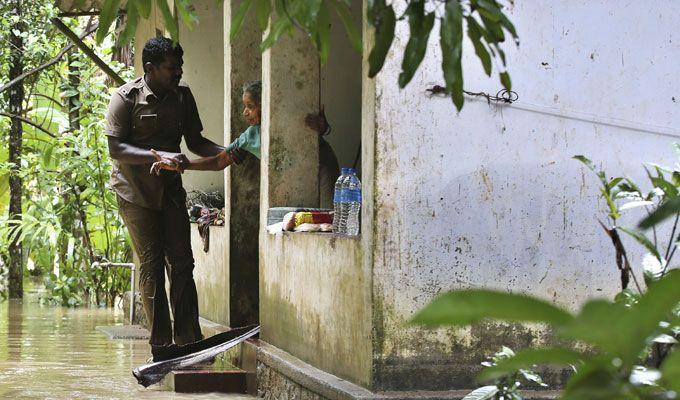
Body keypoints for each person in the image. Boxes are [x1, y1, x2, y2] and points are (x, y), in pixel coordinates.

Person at [104, 37, 242, 359]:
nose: (178, 72)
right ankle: (161, 348)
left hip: (171, 193)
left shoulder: (183, 97)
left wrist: (226, 152)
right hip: (135, 195)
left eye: (179, 66)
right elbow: (116, 148)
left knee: (182, 263)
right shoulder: (125, 99)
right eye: (171, 68)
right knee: (152, 266)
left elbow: (195, 141)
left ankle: (189, 342)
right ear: (150, 69)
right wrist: (158, 156)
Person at [151, 80, 340, 208]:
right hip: (291, 181)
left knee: (329, 216)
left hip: (321, 165)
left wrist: (323, 128)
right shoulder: (250, 136)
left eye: (250, 106)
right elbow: (218, 162)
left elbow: (319, 128)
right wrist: (183, 165)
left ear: (266, 105)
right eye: (245, 107)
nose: (245, 112)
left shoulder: (289, 119)